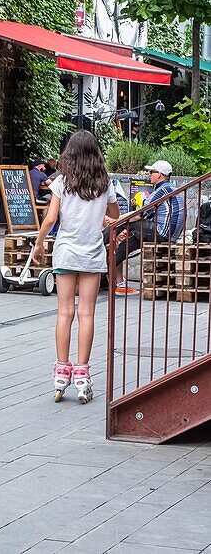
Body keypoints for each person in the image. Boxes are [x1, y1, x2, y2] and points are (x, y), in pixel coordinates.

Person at [32, 130, 119, 404]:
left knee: (64, 312)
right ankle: (82, 377)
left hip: (66, 251)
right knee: (87, 313)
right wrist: (100, 217)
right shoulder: (105, 184)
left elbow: (50, 219)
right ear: (96, 153)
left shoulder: (62, 182)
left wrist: (38, 244)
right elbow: (114, 216)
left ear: (69, 153)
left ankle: (60, 375)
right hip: (92, 253)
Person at [112, 160, 185, 294]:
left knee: (129, 225)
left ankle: (99, 240)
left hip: (163, 233)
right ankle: (114, 278)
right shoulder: (171, 189)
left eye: (151, 172)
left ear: (160, 175)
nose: (148, 174)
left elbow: (139, 215)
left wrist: (116, 221)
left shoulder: (161, 191)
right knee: (131, 240)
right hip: (170, 234)